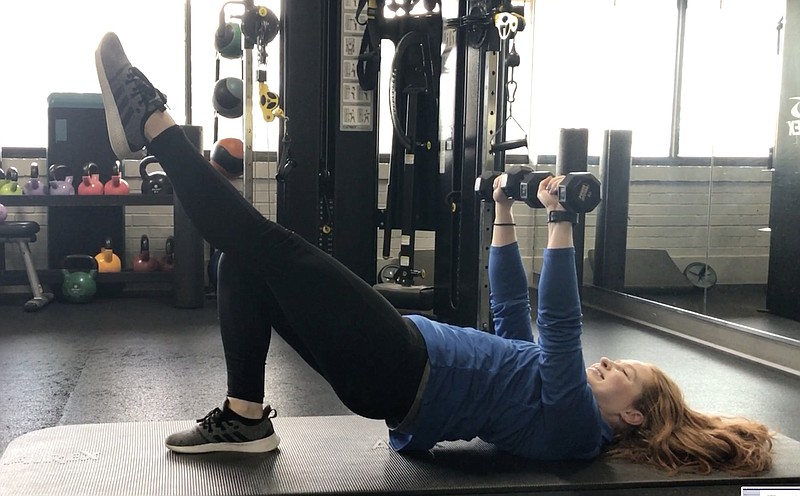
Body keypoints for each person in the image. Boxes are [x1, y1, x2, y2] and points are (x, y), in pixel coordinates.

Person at [95, 32, 774, 475]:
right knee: (243, 261)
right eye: (618, 362)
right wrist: (506, 211)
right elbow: (512, 310)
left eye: (621, 371)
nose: (606, 362)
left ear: (629, 415)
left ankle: (149, 117)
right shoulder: (550, 394)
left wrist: (563, 222)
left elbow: (564, 330)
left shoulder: (575, 426)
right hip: (396, 369)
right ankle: (245, 418)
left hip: (403, 369)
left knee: (266, 243)